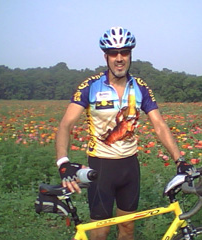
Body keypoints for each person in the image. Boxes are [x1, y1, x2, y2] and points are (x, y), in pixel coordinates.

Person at [55, 26, 193, 240]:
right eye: (113, 53)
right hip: (101, 166)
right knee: (100, 231)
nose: (119, 58)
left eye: (124, 52)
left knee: (128, 228)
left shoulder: (140, 87)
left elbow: (159, 125)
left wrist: (180, 159)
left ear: (130, 55)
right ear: (106, 56)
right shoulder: (90, 86)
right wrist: (63, 162)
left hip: (129, 166)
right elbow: (66, 125)